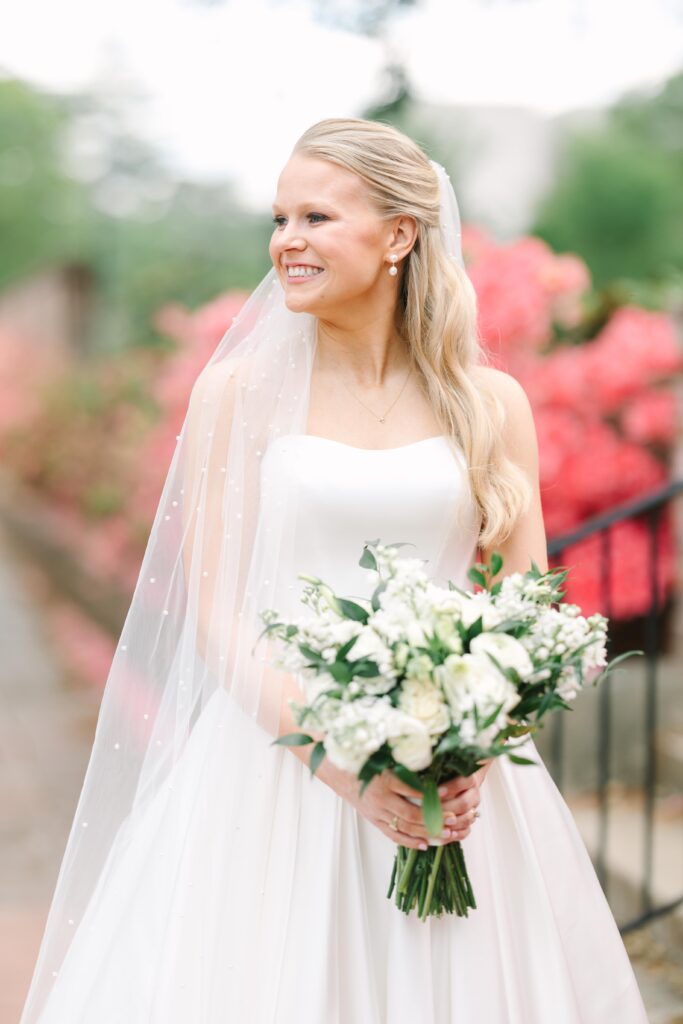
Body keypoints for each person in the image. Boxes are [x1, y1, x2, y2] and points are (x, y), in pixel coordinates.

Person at [20, 117, 648, 1023]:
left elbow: (526, 604)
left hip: (455, 784)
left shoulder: (490, 405)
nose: (286, 243)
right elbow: (216, 612)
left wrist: (470, 738)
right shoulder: (234, 394)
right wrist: (343, 765)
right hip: (274, 767)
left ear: (398, 235)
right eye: (278, 220)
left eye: (315, 217)